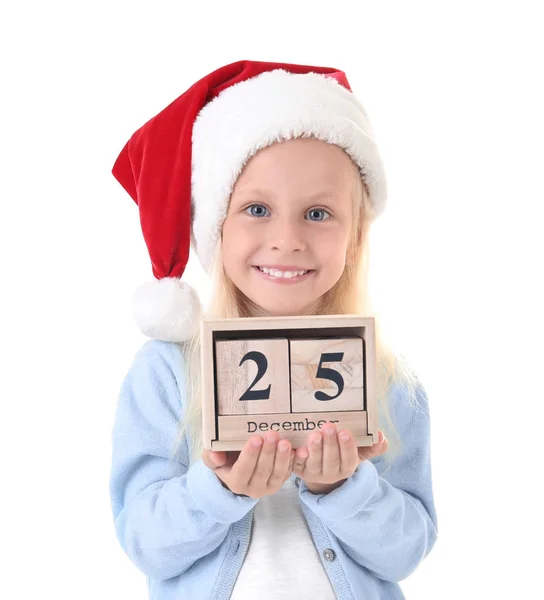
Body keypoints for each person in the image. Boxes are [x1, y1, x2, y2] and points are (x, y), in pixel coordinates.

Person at [108, 59, 438, 600]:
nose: (286, 239)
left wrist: (345, 489)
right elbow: (144, 540)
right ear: (214, 227)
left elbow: (406, 552)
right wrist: (219, 487)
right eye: (257, 208)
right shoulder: (166, 370)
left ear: (354, 238)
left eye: (318, 213)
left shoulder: (388, 379)